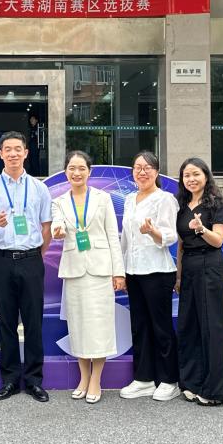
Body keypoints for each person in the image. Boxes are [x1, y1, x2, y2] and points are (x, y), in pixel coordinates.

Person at [0, 130, 53, 402]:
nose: (13, 154)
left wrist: (36, 255)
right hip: (2, 260)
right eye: (7, 149)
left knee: (33, 322)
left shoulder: (39, 188)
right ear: (0, 154)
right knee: (6, 321)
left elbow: (46, 228)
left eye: (17, 149)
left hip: (31, 260)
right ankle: (9, 380)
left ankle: (34, 381)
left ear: (26, 153)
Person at [51, 150, 125, 404]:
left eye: (81, 168)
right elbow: (57, 225)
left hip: (101, 270)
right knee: (79, 325)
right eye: (72, 168)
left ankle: (96, 379)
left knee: (99, 325)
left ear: (89, 172)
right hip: (74, 270)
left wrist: (118, 272)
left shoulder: (103, 198)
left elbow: (113, 235)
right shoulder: (59, 201)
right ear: (65, 172)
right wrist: (58, 231)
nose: (76, 173)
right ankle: (83, 377)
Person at [119, 151, 181, 402]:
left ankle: (169, 380)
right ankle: (143, 378)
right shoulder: (129, 199)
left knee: (161, 327)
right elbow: (125, 238)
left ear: (156, 171)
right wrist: (121, 270)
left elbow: (171, 235)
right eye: (137, 167)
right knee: (140, 326)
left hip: (157, 271)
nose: (142, 172)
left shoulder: (165, 199)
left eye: (147, 168)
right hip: (134, 271)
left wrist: (153, 232)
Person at [174, 157, 223, 406]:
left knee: (212, 327)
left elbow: (218, 240)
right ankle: (191, 382)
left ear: (206, 176)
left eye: (196, 174)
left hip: (210, 266)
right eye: (186, 175)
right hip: (189, 268)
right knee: (190, 326)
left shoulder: (217, 204)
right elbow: (180, 244)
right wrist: (178, 276)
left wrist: (200, 228)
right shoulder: (182, 204)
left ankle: (214, 390)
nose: (191, 179)